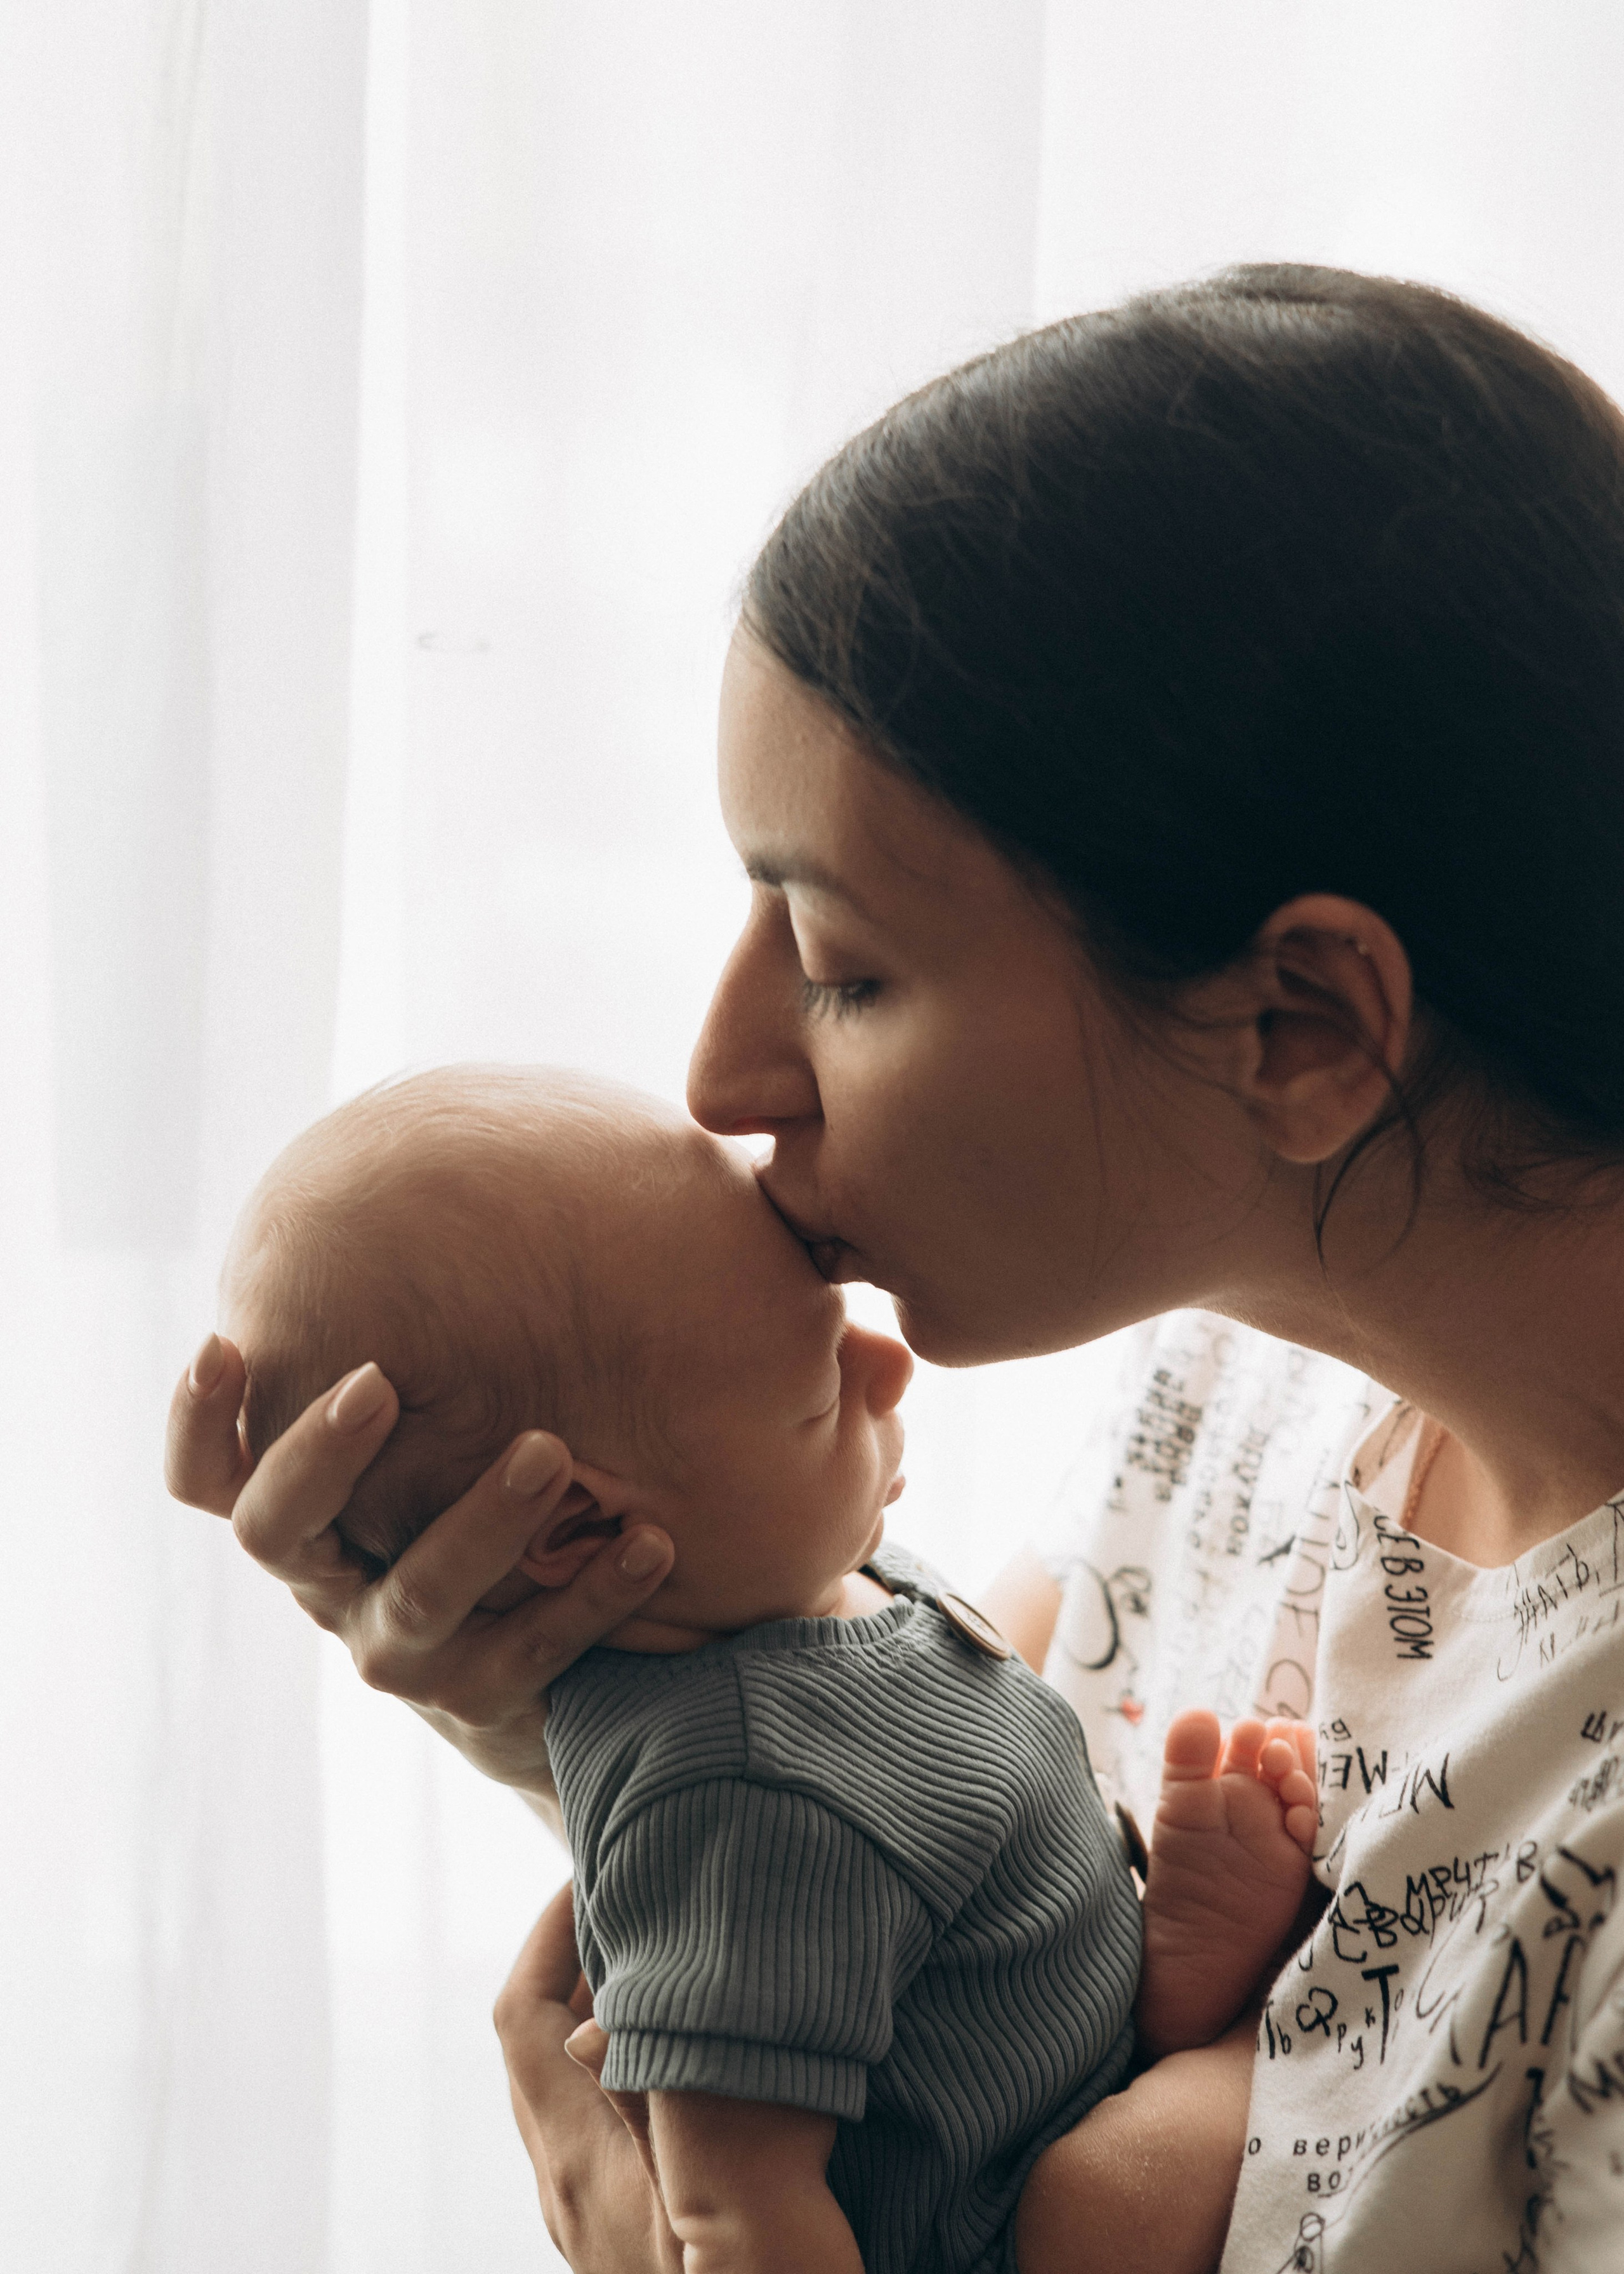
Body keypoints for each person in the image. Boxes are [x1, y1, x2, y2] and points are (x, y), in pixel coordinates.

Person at [166, 263, 1624, 2271]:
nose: (720, 1072)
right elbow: (923, 1906)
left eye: (845, 963)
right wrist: (568, 1687)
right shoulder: (1242, 1394)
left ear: (1299, 1024)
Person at [219, 1060, 1319, 2274]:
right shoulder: (735, 1795)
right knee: (1117, 2195)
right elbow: (730, 2203)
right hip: (1005, 2220)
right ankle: (1229, 2035)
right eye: (816, 1387)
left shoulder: (795, 1585)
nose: (890, 1367)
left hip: (1021, 2028)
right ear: (581, 1530)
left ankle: (1137, 1976)